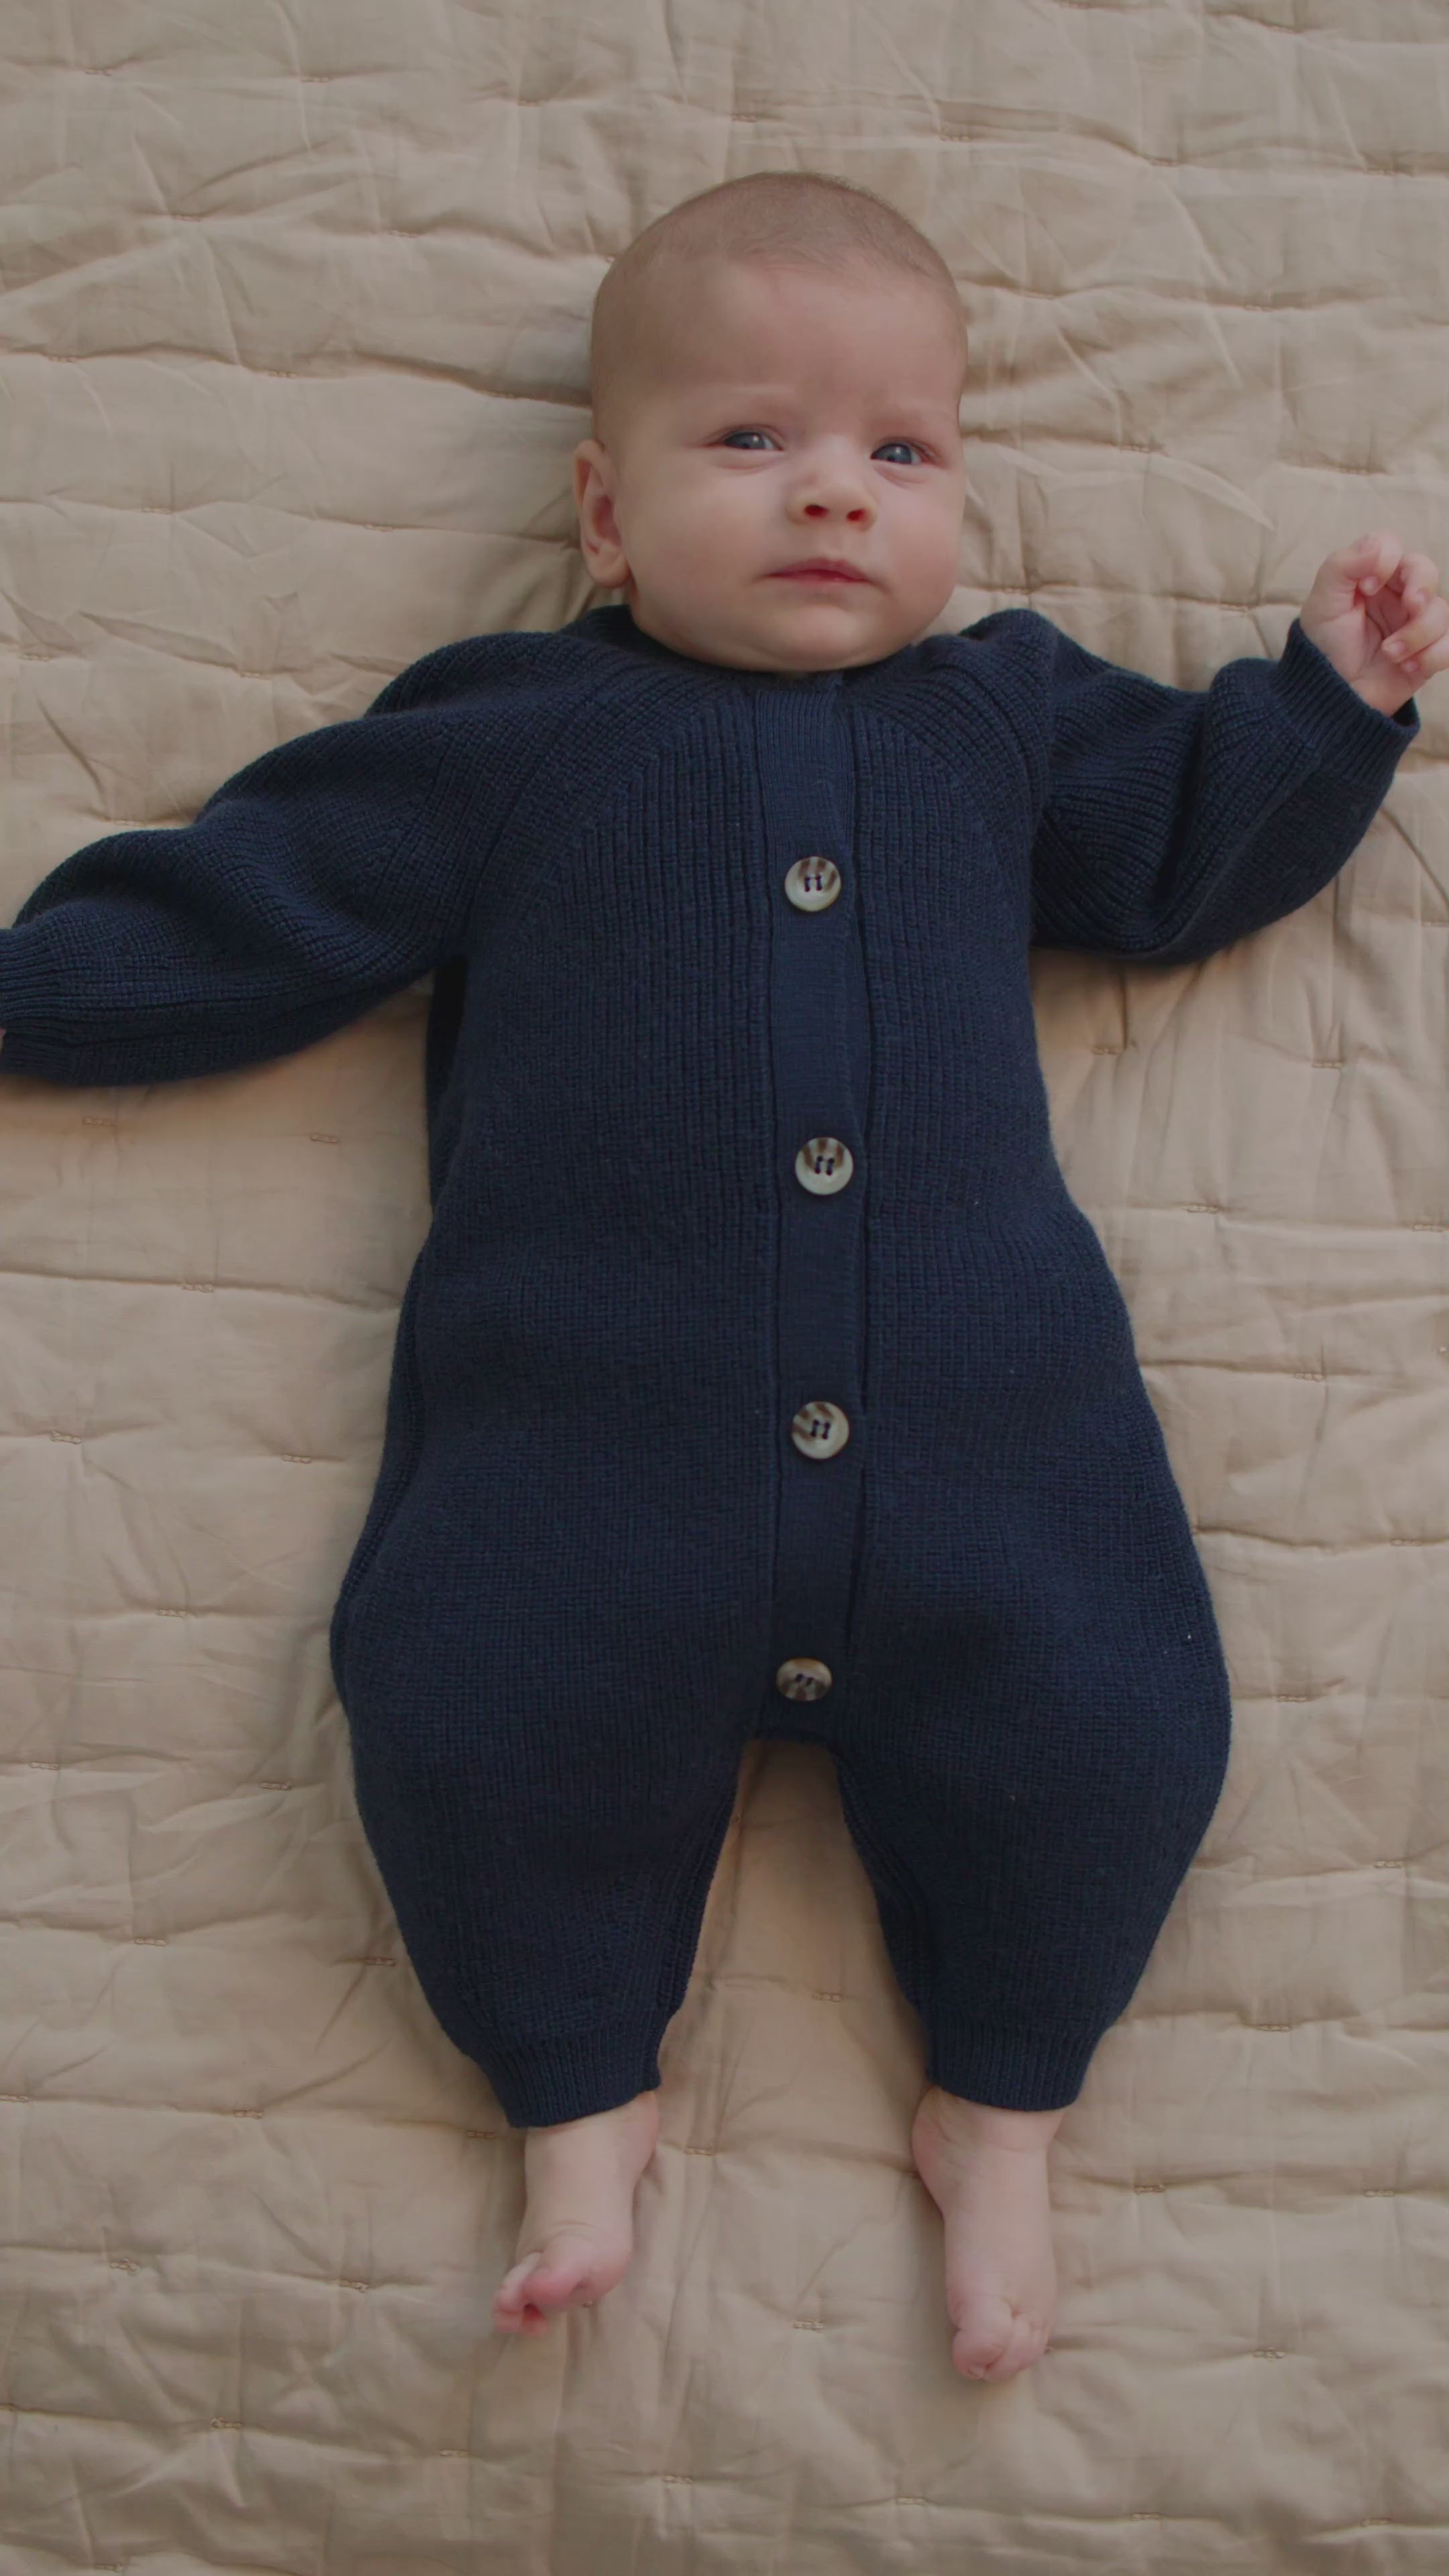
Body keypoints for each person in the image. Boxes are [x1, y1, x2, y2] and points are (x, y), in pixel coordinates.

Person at [1, 171, 1442, 2387]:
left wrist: (1326, 705)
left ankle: (1004, 2111)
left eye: (899, 449)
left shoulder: (1002, 716)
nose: (832, 493)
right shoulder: (509, 735)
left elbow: (1182, 853)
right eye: (752, 439)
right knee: (464, 1715)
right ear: (605, 512)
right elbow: (259, 902)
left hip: (990, 1452)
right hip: (589, 1460)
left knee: (1117, 1723)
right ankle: (578, 2103)